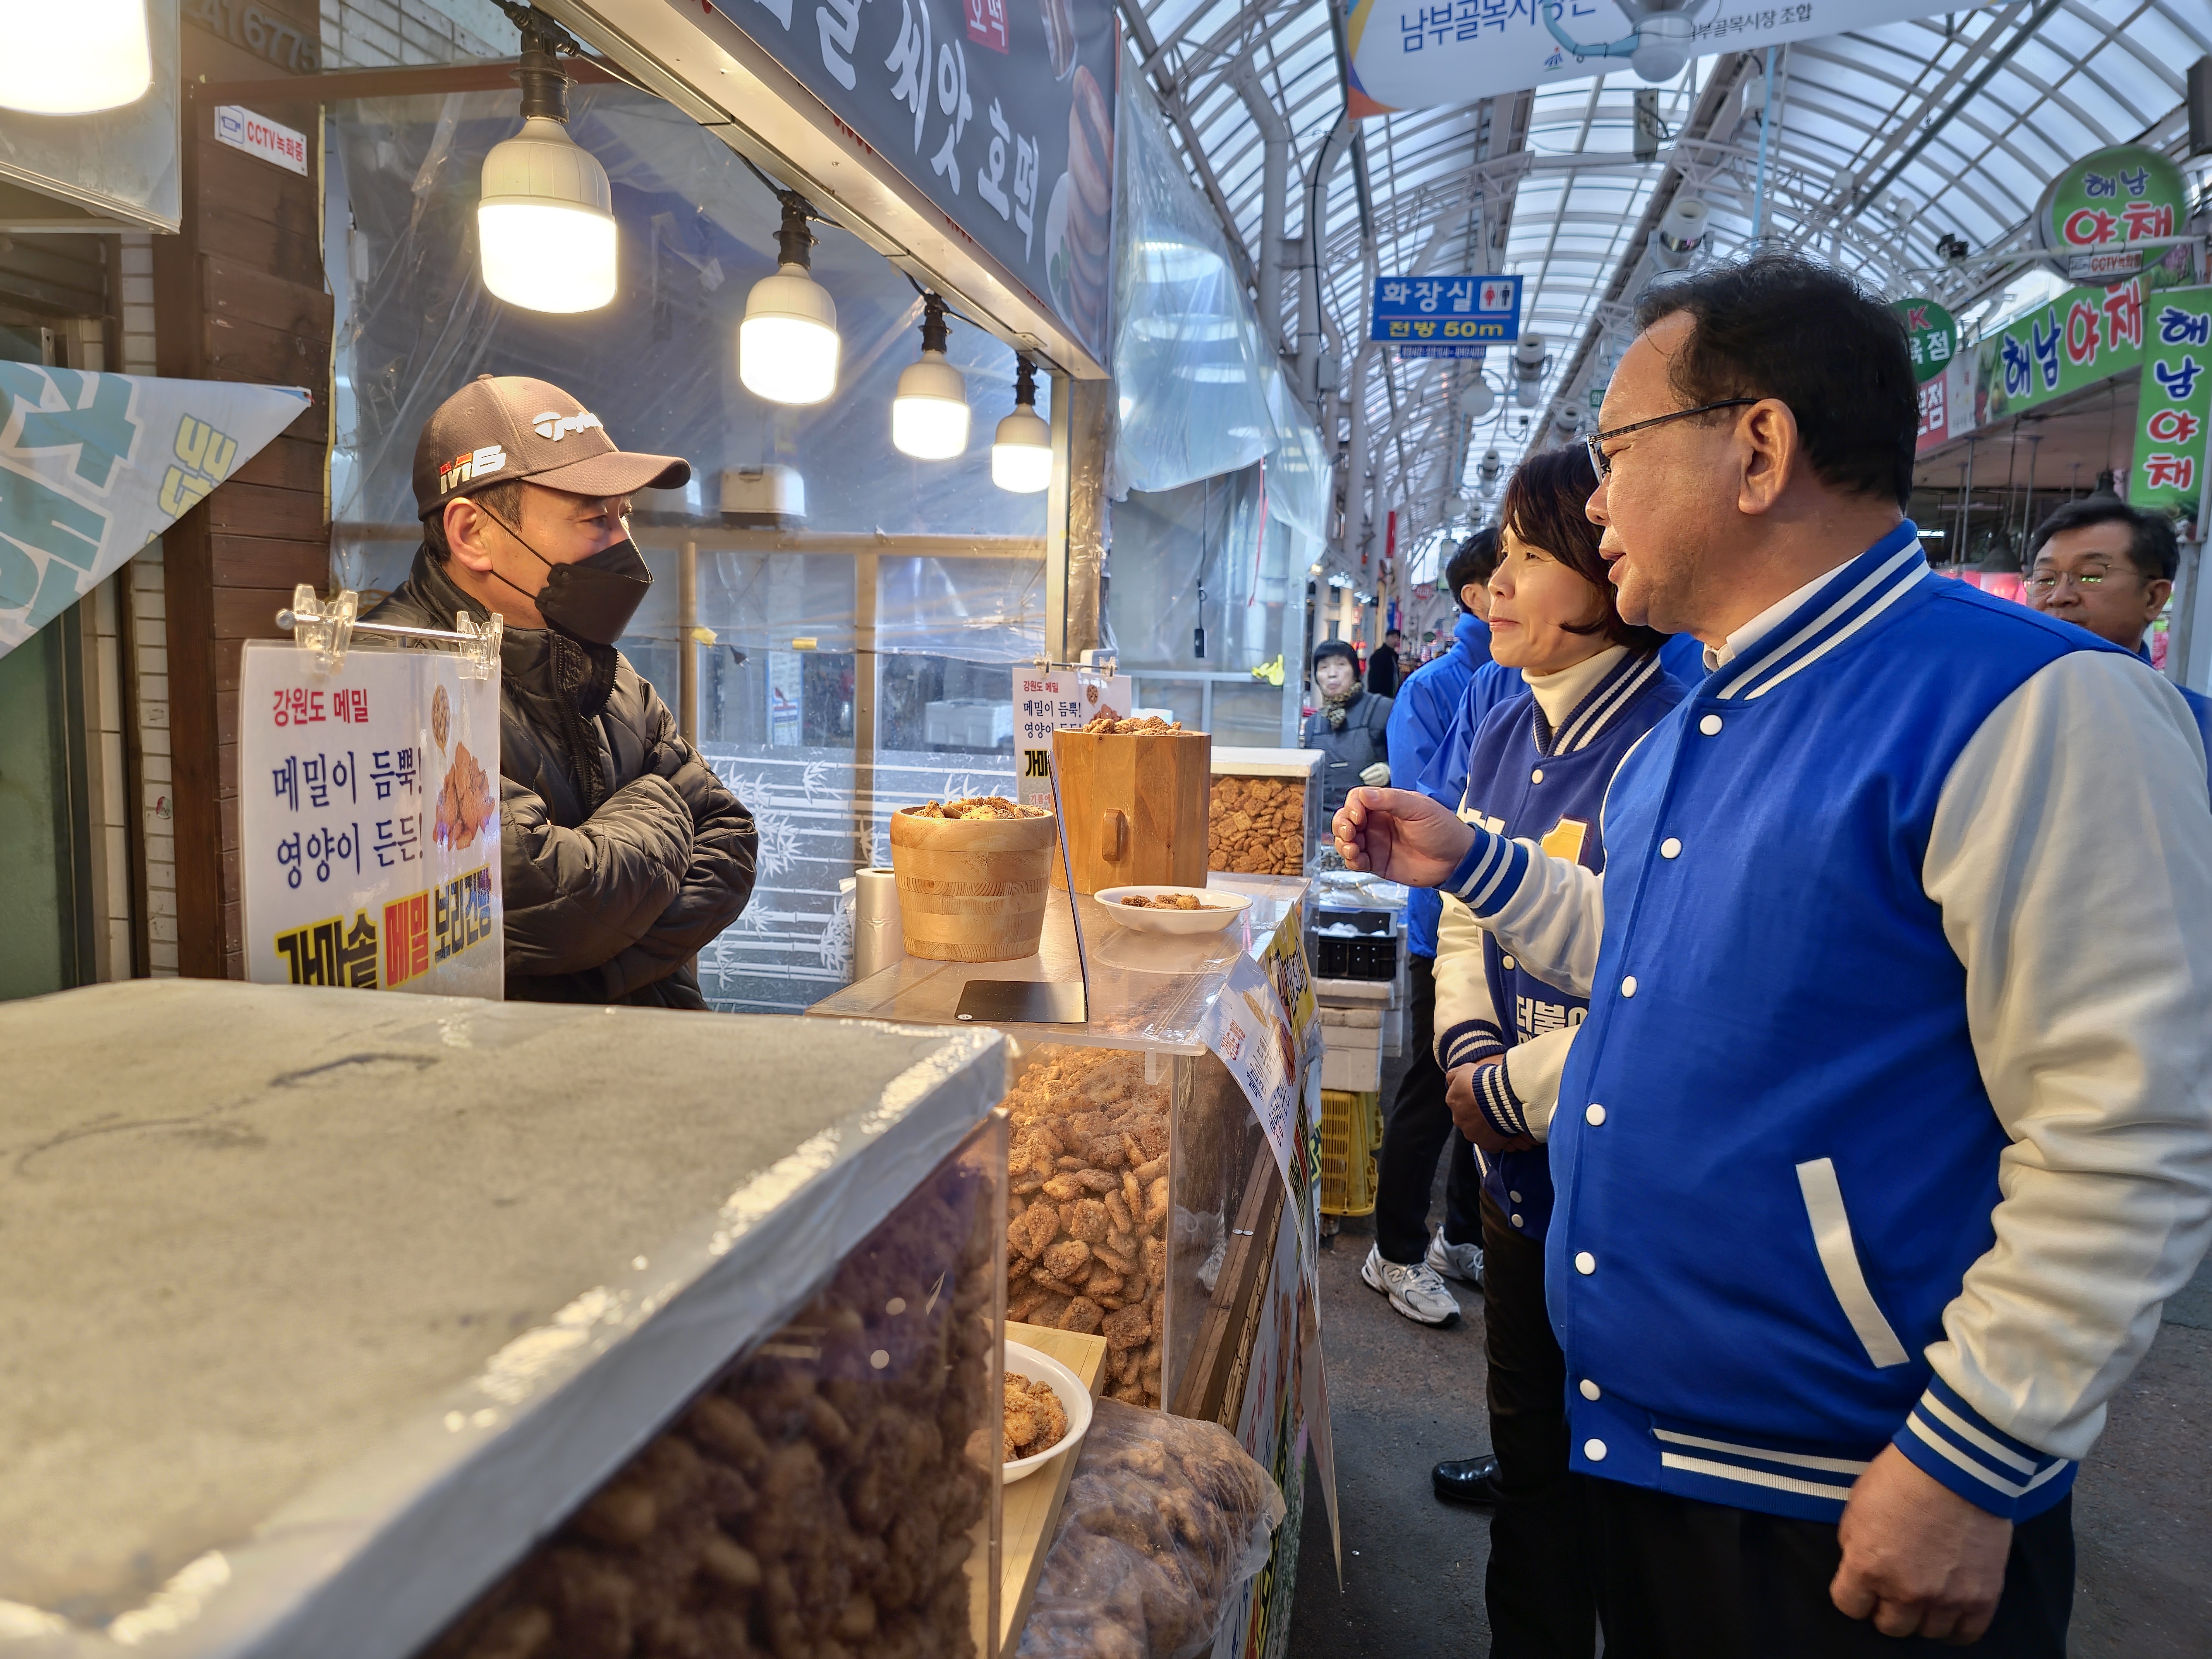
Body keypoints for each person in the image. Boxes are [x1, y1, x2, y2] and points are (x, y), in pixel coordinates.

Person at [1333, 254, 2212, 1656]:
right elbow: (1663, 964)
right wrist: (1475, 865)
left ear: (1756, 449)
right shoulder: (1701, 722)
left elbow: (2126, 1130)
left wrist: (1976, 1450)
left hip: (1850, 1487)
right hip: (1656, 1443)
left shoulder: (2039, 709)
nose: (1595, 501)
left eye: (1617, 452)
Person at [1429, 445, 1682, 1652]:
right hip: (1512, 1174)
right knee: (1529, 1463)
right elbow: (1466, 913)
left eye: (1532, 555)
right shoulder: (1501, 728)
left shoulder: (1666, 741)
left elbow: (1668, 987)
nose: (1498, 583)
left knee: (1631, 1501)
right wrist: (1469, 1054)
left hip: (1620, 1189)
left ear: (1605, 569)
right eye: (1501, 554)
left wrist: (1511, 1088)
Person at [368, 374, 758, 1007]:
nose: (624, 547)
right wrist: (659, 804)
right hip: (495, 1063)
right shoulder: (393, 680)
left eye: (624, 516)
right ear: (471, 534)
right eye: (595, 519)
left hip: (650, 1050)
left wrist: (593, 970)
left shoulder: (606, 671)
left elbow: (731, 838)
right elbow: (548, 905)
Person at [1364, 529, 1519, 1328]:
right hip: (1446, 924)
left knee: (1492, 1086)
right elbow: (1428, 805)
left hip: (1518, 922)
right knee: (1432, 1090)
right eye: (1512, 566)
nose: (1519, 584)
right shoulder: (1439, 687)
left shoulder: (1527, 674)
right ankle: (1392, 1250)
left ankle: (1459, 1234)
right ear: (1477, 595)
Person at [2022, 495, 2212, 778]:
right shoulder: (1993, 706)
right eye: (2045, 579)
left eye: (2091, 575)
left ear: (2153, 598)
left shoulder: (2197, 727)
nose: (2059, 597)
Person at [1305, 638, 1392, 816]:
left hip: (1373, 820)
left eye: (1341, 665)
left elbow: (1413, 763)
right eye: (1324, 667)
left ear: (1355, 671)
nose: (1332, 674)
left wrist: (1390, 770)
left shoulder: (1383, 709)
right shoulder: (1313, 724)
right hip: (1324, 823)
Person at [1368, 627, 1404, 695]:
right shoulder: (1379, 655)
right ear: (1387, 638)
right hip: (1381, 695)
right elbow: (1375, 679)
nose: (1396, 641)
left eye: (1398, 638)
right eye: (1393, 638)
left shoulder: (1394, 656)